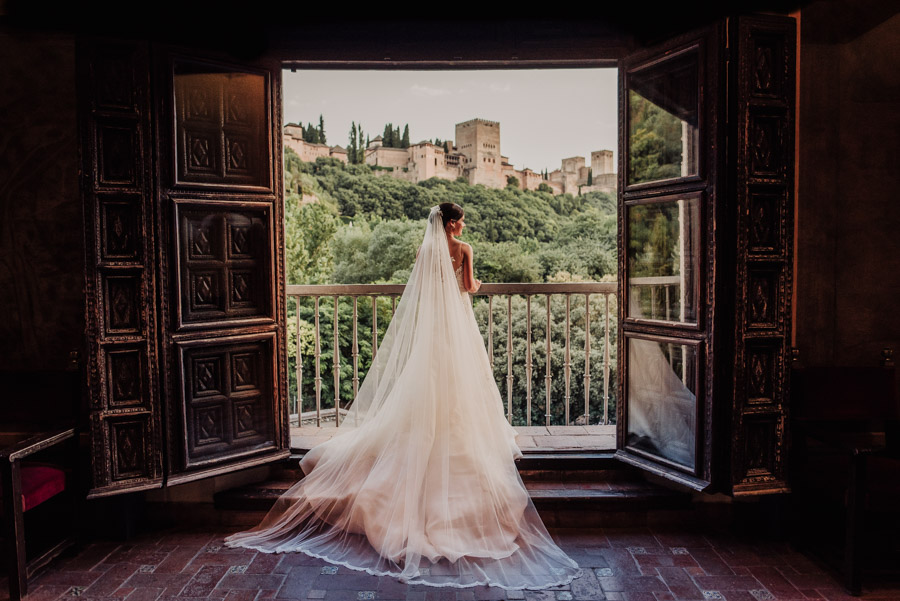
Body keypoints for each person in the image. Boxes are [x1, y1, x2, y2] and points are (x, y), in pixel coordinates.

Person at [224, 203, 582, 590]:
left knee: (425, 387)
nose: (463, 225)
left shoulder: (424, 250)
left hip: (431, 336)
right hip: (457, 330)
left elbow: (423, 291)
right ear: (450, 223)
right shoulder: (463, 249)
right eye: (460, 220)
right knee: (463, 386)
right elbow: (468, 287)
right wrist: (477, 285)